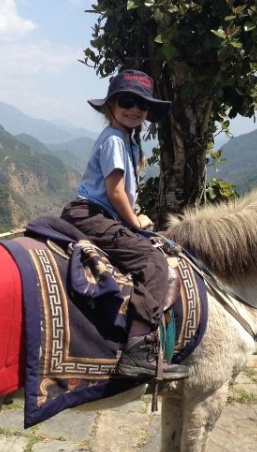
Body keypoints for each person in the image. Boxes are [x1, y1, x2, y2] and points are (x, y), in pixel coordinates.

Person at [60, 69, 189, 380]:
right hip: (91, 215)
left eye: (141, 105)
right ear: (111, 106)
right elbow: (115, 191)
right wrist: (135, 223)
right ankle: (137, 348)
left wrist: (135, 216)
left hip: (97, 215)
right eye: (127, 101)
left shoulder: (127, 141)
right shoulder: (116, 140)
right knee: (154, 262)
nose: (134, 109)